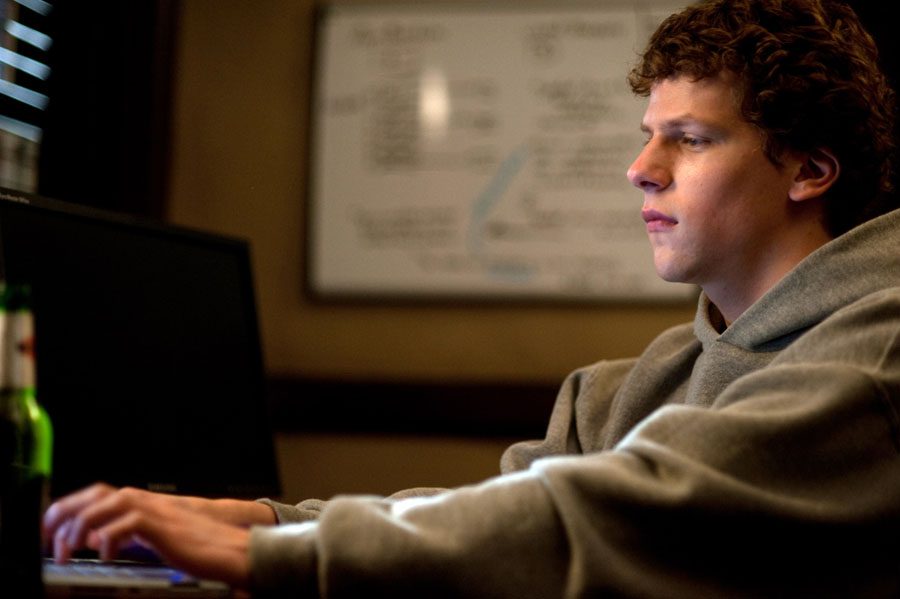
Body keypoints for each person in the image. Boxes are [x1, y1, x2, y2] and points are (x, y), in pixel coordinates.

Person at [43, 0, 900, 595]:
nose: (640, 169)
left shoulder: (877, 350)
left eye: (691, 139)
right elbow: (492, 520)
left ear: (810, 169)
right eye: (649, 136)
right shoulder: (626, 390)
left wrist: (281, 556)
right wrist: (264, 520)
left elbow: (622, 517)